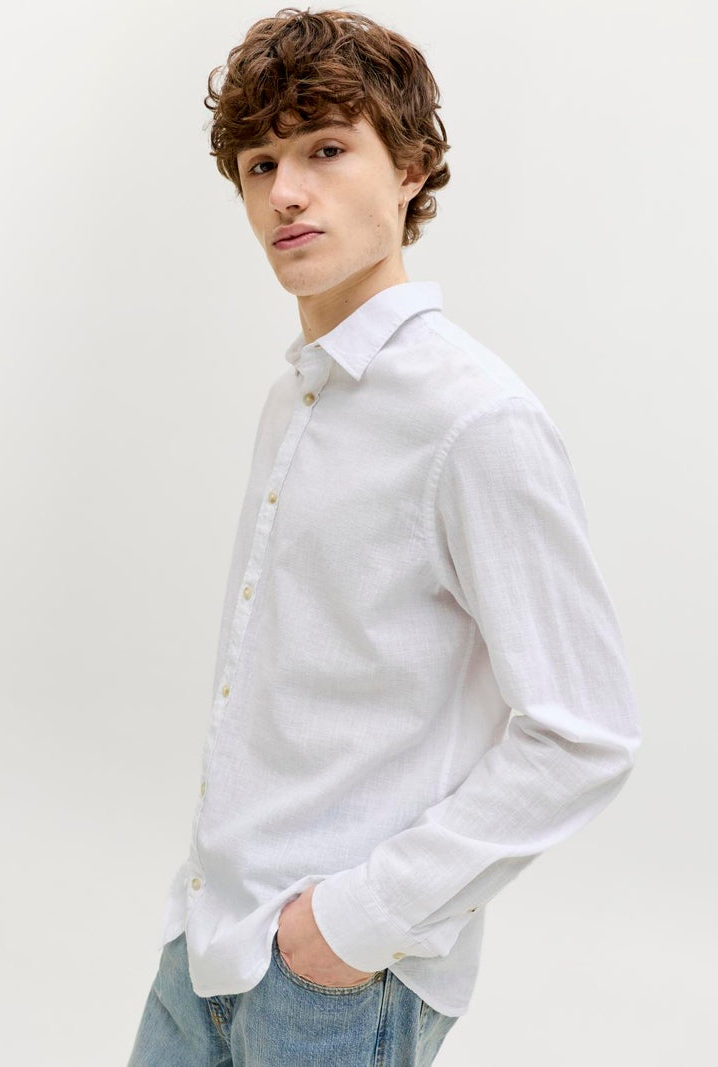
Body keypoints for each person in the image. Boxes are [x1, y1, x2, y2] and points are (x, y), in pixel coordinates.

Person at [127, 7, 641, 1065]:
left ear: (408, 168)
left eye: (325, 149)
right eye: (260, 163)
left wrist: (354, 922)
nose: (285, 191)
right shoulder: (294, 397)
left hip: (333, 984)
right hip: (207, 944)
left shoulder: (473, 417)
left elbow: (584, 730)